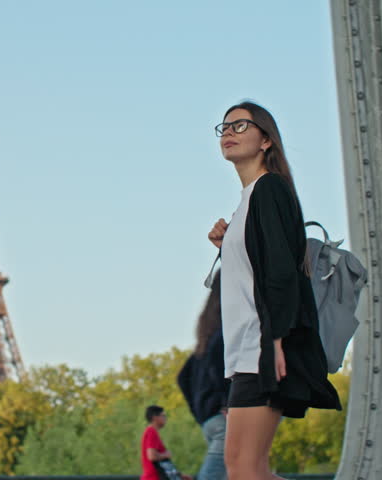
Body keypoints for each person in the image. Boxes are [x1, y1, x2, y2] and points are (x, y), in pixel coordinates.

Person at [208, 101, 341, 479]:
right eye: (224, 127)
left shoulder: (269, 190)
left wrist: (276, 340)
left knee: (243, 468)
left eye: (241, 126)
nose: (229, 133)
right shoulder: (251, 198)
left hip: (262, 348)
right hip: (250, 349)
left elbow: (282, 274)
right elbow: (260, 267)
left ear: (266, 140)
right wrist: (228, 244)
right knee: (249, 467)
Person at [177, 270, 229, 480]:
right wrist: (228, 403)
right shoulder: (224, 332)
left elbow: (183, 377)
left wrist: (201, 410)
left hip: (209, 420)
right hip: (223, 421)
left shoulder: (207, 333)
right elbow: (218, 365)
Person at [139, 406, 192, 480]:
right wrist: (166, 454)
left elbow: (163, 464)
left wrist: (179, 475)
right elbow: (152, 456)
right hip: (153, 477)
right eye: (163, 416)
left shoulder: (151, 432)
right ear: (155, 418)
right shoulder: (151, 431)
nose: (165, 418)